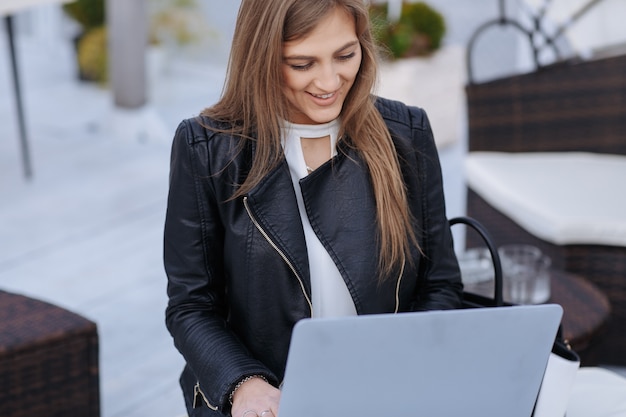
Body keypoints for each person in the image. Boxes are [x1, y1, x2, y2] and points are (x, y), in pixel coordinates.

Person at [163, 0, 463, 416]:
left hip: (384, 397)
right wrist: (244, 383)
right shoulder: (208, 150)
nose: (329, 80)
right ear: (261, 57)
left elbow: (441, 286)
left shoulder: (406, 135)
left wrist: (402, 367)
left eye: (345, 55)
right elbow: (191, 306)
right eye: (302, 64)